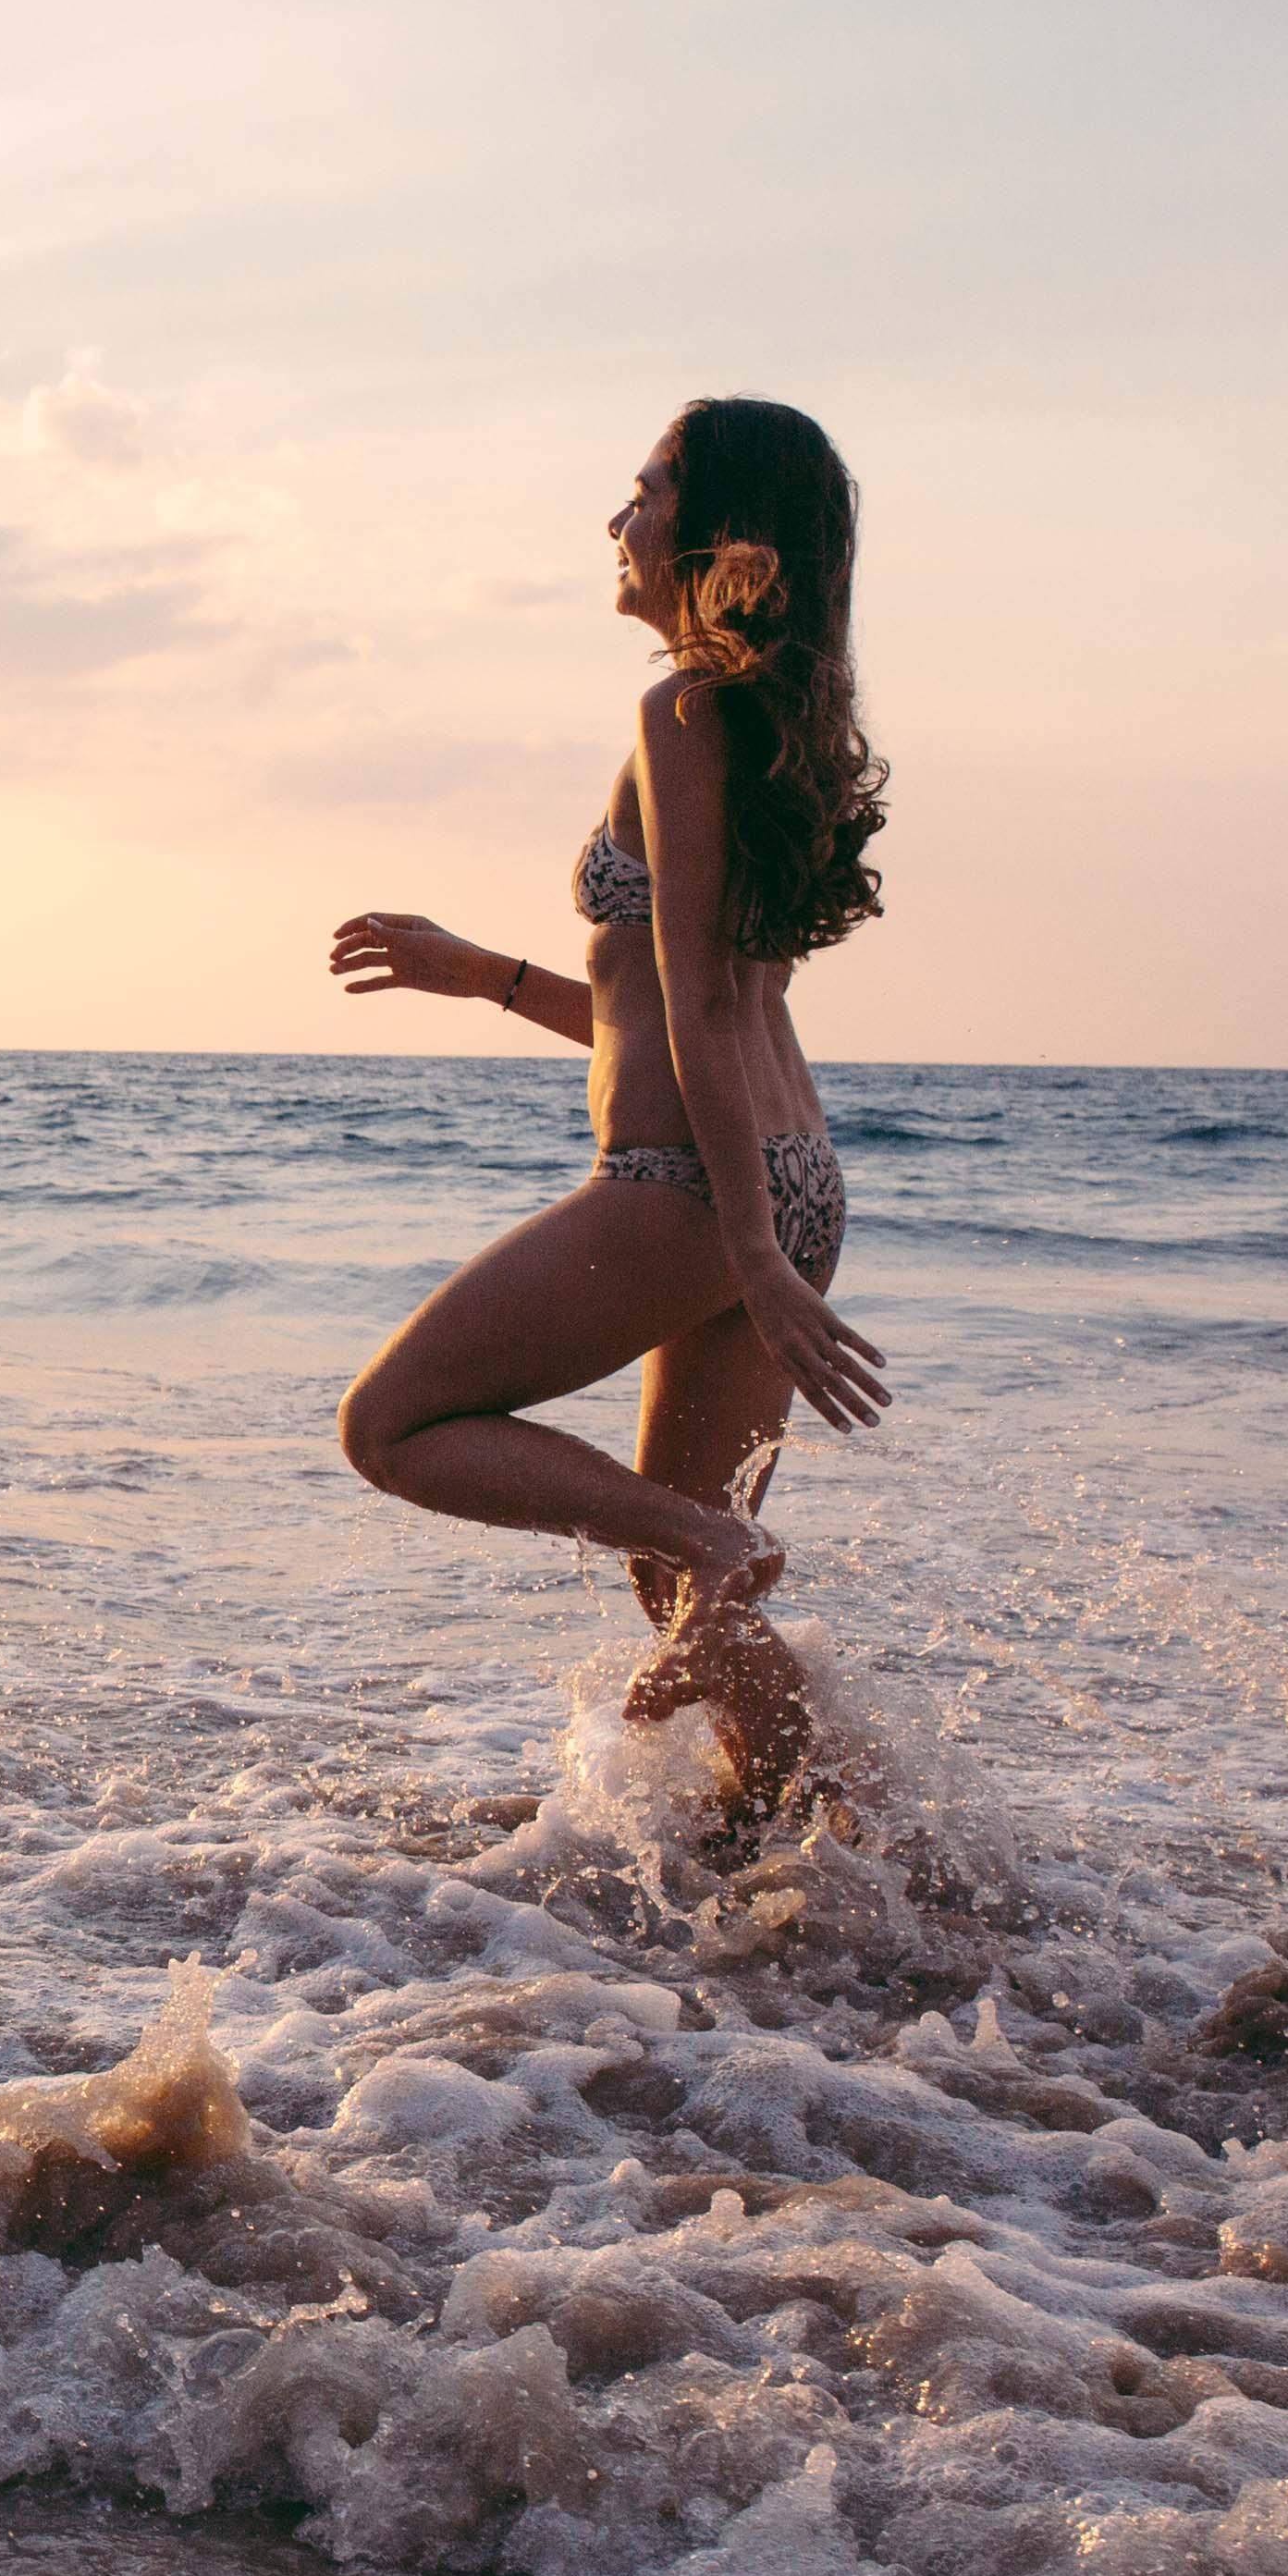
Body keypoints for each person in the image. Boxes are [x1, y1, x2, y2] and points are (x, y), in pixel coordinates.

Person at [325, 396, 894, 1809]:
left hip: (699, 1188)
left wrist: (748, 1254)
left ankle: (717, 1555)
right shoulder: (773, 718)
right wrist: (490, 977)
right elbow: (669, 1004)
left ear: (718, 540)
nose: (619, 520)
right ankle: (827, 1857)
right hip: (786, 1167)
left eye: (645, 493)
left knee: (390, 1428)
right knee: (678, 1588)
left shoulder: (682, 710)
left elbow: (693, 1008)